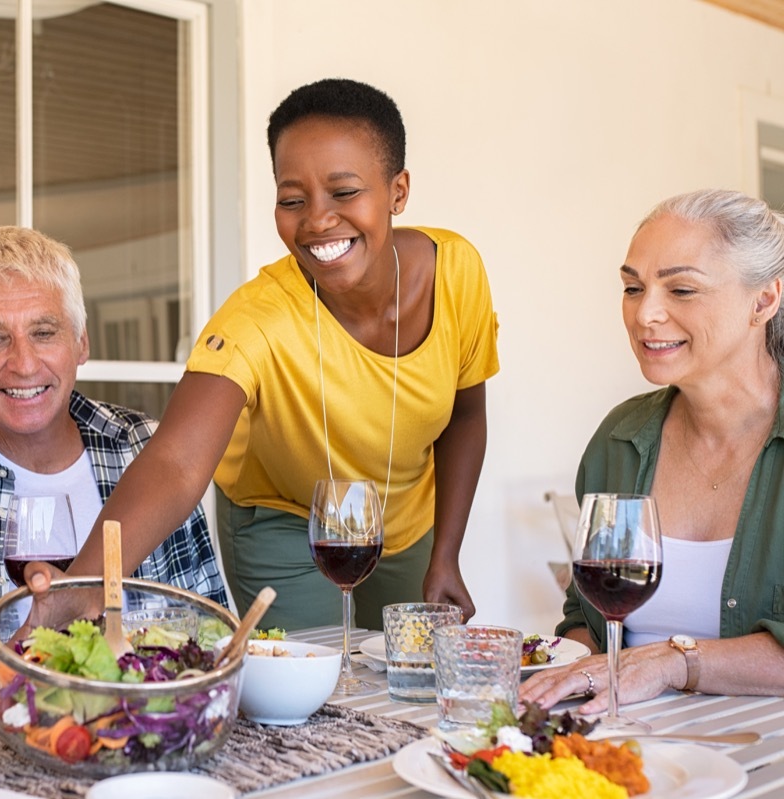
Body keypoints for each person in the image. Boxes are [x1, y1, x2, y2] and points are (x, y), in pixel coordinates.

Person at [32, 77, 499, 631]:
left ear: (397, 191)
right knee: (312, 689)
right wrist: (87, 586)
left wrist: (446, 552)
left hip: (406, 522)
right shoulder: (257, 317)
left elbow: (465, 416)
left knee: (408, 682)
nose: (318, 220)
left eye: (345, 192)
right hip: (284, 519)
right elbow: (177, 463)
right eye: (292, 200)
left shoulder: (458, 273)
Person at [0, 225, 229, 647]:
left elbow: (212, 642)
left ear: (82, 343)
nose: (25, 364)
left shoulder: (146, 450)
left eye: (44, 333)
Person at [521, 189, 784, 712]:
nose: (646, 315)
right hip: (625, 750)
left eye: (682, 289)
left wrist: (674, 661)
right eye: (633, 287)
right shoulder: (620, 437)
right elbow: (585, 613)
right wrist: (556, 673)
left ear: (764, 301)